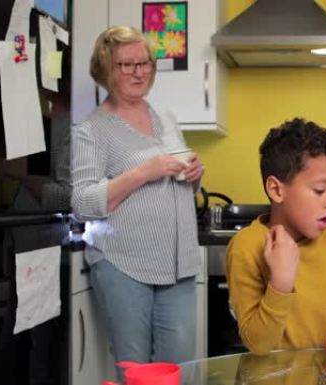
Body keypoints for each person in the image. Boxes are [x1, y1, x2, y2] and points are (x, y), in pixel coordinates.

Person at [70, 25, 205, 380]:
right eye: (126, 64)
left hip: (179, 264)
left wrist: (194, 176)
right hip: (123, 263)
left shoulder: (166, 118)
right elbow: (82, 201)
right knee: (136, 370)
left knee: (179, 369)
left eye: (144, 63)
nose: (138, 72)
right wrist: (144, 171)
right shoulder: (91, 130)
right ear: (106, 70)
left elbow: (174, 185)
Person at [226, 118, 326, 354]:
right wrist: (281, 282)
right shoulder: (246, 246)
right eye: (320, 191)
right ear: (277, 190)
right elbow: (257, 343)